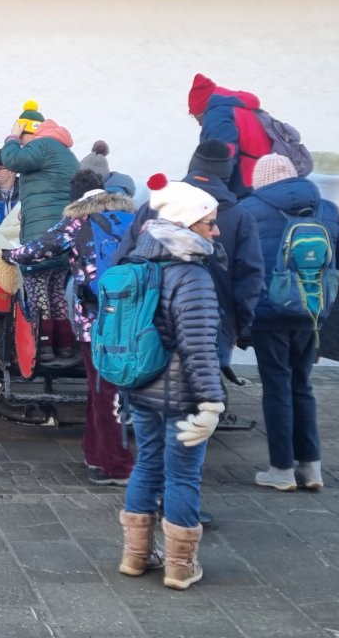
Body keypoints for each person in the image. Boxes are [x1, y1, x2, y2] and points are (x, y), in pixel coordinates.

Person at [116, 177, 226, 590]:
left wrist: (122, 392)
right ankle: (180, 567)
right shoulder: (192, 276)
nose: (216, 231)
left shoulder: (138, 265)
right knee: (182, 476)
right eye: (209, 223)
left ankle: (135, 556)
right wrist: (212, 402)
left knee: (146, 463)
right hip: (183, 396)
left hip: (141, 386)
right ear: (185, 224)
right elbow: (199, 346)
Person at [239, 155, 339, 492]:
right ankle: (311, 469)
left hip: (270, 312)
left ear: (261, 181)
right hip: (313, 311)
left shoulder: (248, 210)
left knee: (277, 387)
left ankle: (281, 469)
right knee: (302, 386)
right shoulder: (326, 209)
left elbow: (239, 261)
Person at [4, 170, 137, 486]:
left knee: (104, 391)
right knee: (103, 389)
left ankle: (116, 466)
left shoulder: (78, 220)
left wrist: (8, 255)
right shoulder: (129, 218)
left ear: (75, 197)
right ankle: (95, 454)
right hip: (130, 318)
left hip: (95, 322)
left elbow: (41, 248)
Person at [183, 140, 266, 430]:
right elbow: (250, 276)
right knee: (203, 398)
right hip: (219, 320)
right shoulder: (240, 216)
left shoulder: (156, 206)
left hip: (160, 319)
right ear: (226, 173)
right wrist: (241, 323)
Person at [0, 100, 80, 365]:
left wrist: (11, 136)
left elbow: (12, 159)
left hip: (41, 235)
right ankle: (64, 347)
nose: (23, 144)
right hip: (63, 235)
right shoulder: (65, 152)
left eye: (23, 137)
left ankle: (42, 348)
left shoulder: (42, 145)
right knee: (57, 290)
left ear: (28, 131)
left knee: (37, 288)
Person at [187, 73, 273, 196]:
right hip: (261, 179)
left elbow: (220, 157)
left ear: (200, 110)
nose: (198, 122)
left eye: (193, 115)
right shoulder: (239, 109)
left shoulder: (217, 116)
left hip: (243, 187)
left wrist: (210, 192)